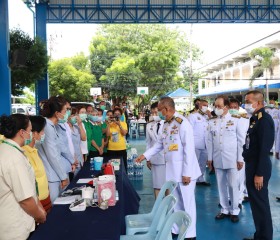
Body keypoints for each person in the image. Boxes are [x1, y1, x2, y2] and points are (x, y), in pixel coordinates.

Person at [136, 96, 201, 240]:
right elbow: (158, 145)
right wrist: (145, 156)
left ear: (167, 109)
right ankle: (176, 230)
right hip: (172, 171)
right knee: (175, 202)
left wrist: (187, 173)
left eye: (160, 110)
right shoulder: (166, 124)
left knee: (187, 204)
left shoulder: (183, 123)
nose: (158, 113)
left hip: (186, 173)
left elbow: (188, 150)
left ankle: (190, 234)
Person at [0, 114, 46, 240]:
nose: (31, 134)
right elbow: (25, 199)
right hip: (15, 228)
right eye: (30, 131)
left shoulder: (6, 149)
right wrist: (40, 216)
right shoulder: (14, 158)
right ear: (22, 132)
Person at [207, 95, 247, 223]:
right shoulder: (212, 121)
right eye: (215, 106)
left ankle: (234, 210)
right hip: (218, 158)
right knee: (221, 185)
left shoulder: (236, 120)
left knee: (232, 185)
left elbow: (241, 140)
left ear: (226, 107)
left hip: (232, 158)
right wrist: (209, 158)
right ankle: (224, 209)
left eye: (219, 106)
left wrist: (240, 158)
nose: (216, 108)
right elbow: (209, 141)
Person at [242, 90, 274, 240]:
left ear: (259, 103)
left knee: (261, 205)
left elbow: (264, 149)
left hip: (258, 168)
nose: (246, 104)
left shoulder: (264, 120)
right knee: (256, 204)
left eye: (248, 101)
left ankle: (265, 237)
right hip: (252, 166)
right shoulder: (254, 119)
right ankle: (259, 235)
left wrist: (259, 174)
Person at [38, 96, 69, 203]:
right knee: (55, 206)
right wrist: (63, 176)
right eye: (65, 111)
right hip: (51, 175)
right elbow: (53, 155)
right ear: (57, 113)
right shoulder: (47, 126)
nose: (66, 114)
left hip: (56, 173)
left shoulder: (52, 126)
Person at [22, 116, 52, 213]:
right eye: (42, 131)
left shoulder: (34, 150)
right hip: (37, 204)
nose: (44, 134)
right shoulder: (24, 154)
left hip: (45, 199)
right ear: (34, 133)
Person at [229, 98, 250, 206]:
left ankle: (239, 199)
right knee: (230, 180)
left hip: (240, 154)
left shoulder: (243, 120)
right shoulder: (224, 121)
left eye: (235, 108)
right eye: (231, 108)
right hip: (228, 155)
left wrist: (240, 158)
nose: (233, 110)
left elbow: (242, 140)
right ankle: (230, 198)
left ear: (238, 108)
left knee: (240, 178)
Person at [145, 102, 166, 199]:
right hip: (155, 159)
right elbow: (148, 143)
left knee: (167, 185)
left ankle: (168, 207)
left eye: (156, 113)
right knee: (157, 184)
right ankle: (158, 207)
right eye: (152, 113)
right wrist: (148, 158)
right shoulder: (149, 126)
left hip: (167, 158)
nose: (154, 115)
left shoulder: (167, 124)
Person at [188, 99, 211, 186]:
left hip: (205, 144)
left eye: (207, 105)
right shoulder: (193, 116)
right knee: (194, 162)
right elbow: (189, 131)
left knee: (202, 163)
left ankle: (200, 179)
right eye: (204, 105)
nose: (205, 107)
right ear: (199, 105)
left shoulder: (207, 117)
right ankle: (193, 179)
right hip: (195, 144)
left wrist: (209, 116)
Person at [107, 108, 128, 172]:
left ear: (121, 115)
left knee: (122, 167)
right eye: (115, 114)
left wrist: (119, 125)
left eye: (118, 114)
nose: (116, 115)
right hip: (111, 149)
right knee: (113, 168)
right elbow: (107, 134)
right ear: (113, 115)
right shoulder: (110, 124)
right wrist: (108, 124)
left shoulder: (124, 123)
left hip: (121, 148)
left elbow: (124, 133)